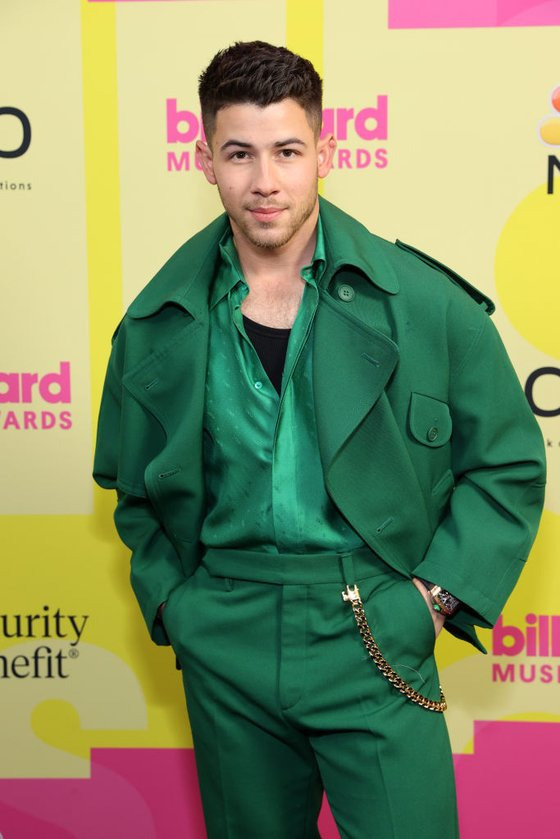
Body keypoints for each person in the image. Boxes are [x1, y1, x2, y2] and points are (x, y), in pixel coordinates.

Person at [93, 41, 546, 839]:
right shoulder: (154, 324)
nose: (264, 181)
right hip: (222, 630)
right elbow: (133, 495)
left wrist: (429, 599)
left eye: (287, 151)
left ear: (326, 152)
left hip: (374, 625)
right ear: (205, 160)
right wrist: (179, 606)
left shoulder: (426, 305)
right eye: (239, 153)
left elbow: (508, 462)